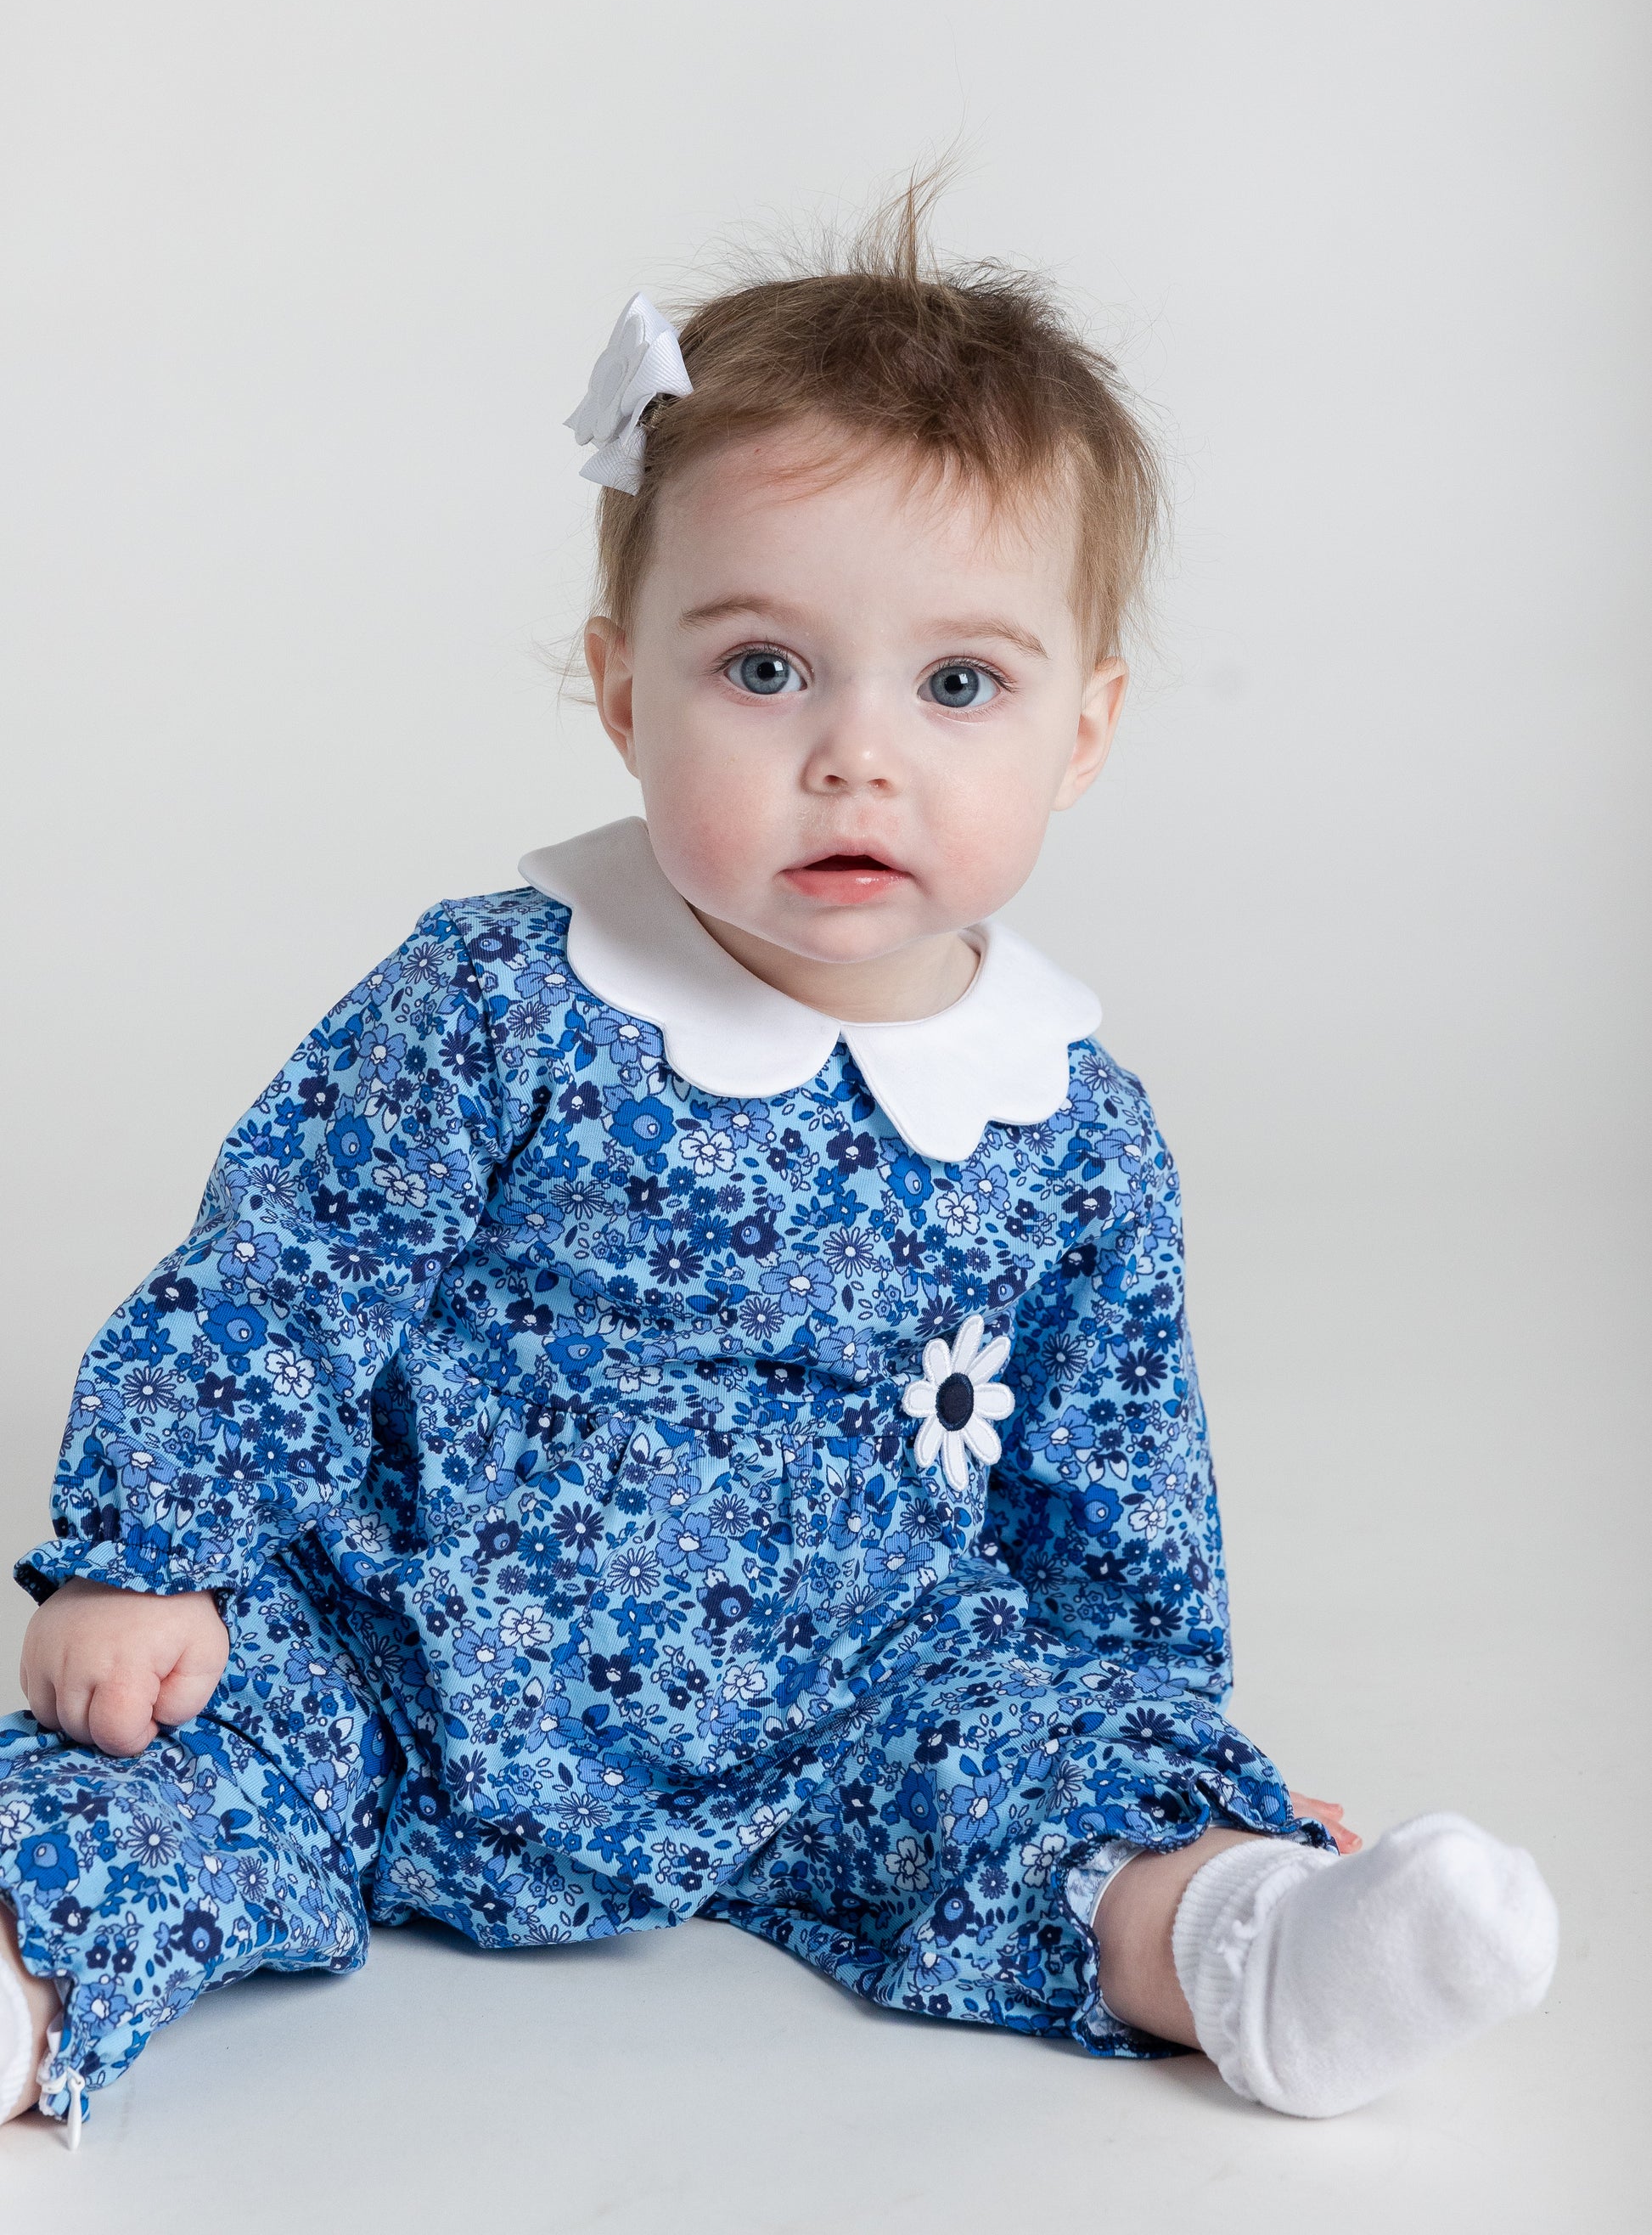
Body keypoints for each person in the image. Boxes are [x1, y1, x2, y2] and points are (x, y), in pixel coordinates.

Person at [0, 190, 1557, 2143]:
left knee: (1034, 1794)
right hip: (414, 1658)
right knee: (179, 1757)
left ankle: (1245, 1942)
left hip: (855, 1711)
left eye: (958, 686)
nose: (855, 755)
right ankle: (26, 1960)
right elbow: (284, 1278)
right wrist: (157, 1555)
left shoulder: (1065, 1122)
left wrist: (1168, 1756)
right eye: (764, 670)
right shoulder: (502, 998)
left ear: (1085, 733)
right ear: (624, 685)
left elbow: (1115, 1489)